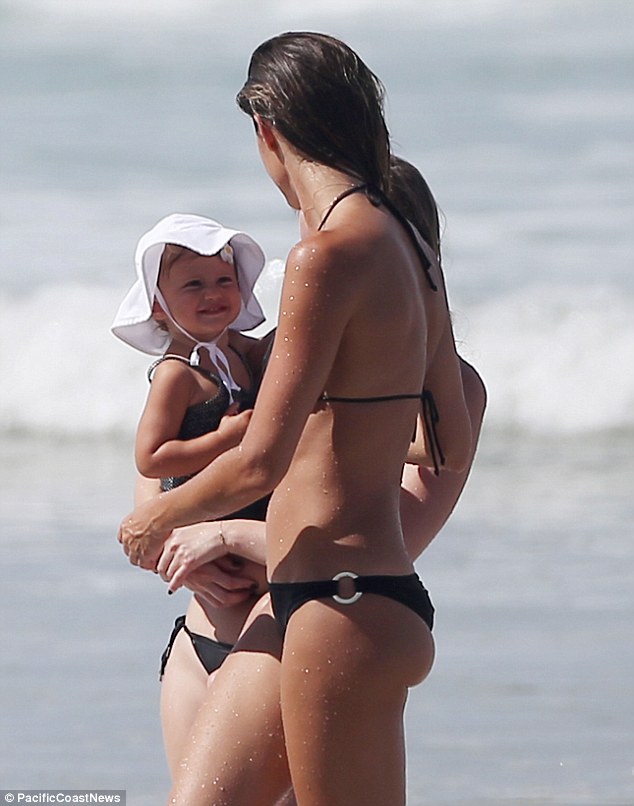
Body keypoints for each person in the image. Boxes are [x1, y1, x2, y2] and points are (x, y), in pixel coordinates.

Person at [119, 32, 474, 806]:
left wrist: (157, 518)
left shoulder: (324, 255)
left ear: (268, 130)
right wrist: (354, 418)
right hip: (347, 596)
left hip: (335, 601)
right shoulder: (414, 255)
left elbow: (261, 461)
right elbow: (449, 439)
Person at [111, 213, 274, 769]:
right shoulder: (176, 373)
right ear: (158, 306)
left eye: (225, 280)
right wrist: (225, 438)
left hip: (248, 555)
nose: (212, 294)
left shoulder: (241, 356)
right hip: (203, 535)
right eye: (193, 285)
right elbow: (151, 458)